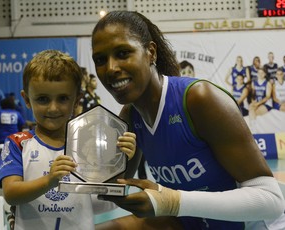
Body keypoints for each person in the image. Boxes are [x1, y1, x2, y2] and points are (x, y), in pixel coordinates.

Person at [91, 11, 284, 230]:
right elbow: (108, 194)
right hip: (193, 222)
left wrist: (172, 202)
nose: (111, 68)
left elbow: (272, 201)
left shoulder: (199, 99)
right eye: (100, 60)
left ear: (150, 52)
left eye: (123, 53)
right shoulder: (129, 117)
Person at [0, 50, 137, 230]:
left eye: (63, 98)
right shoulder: (17, 143)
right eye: (42, 99)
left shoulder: (92, 145)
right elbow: (11, 194)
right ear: (27, 99)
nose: (53, 108)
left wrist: (122, 160)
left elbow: (106, 199)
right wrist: (49, 182)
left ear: (77, 100)